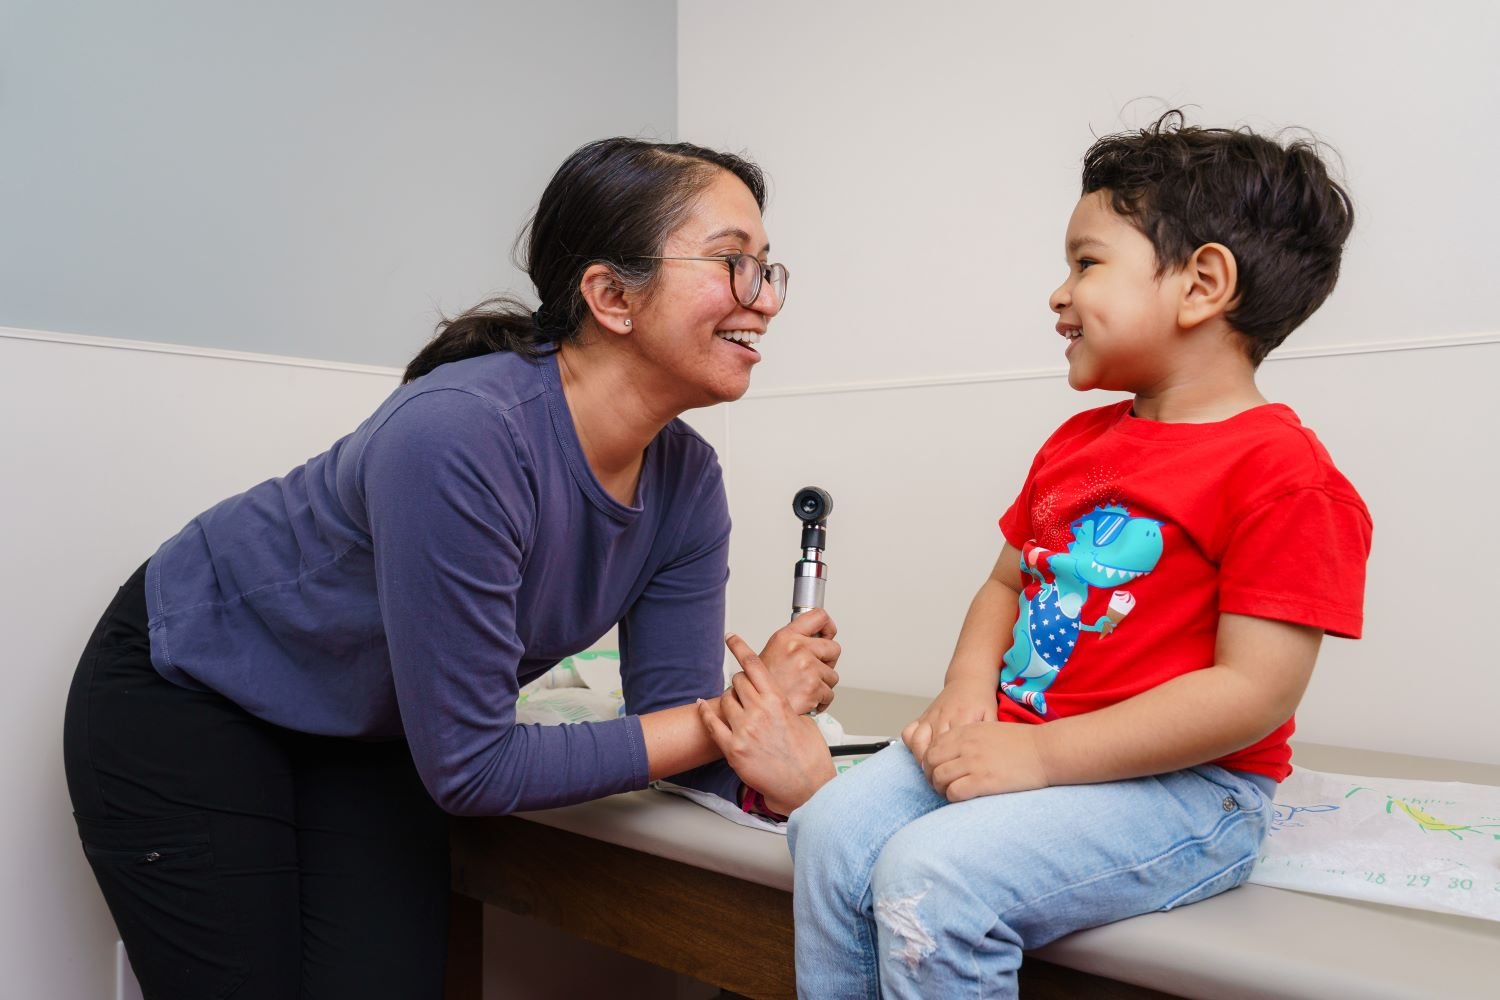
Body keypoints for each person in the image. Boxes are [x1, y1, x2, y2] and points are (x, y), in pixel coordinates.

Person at [63, 137, 841, 1000]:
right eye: (734, 263)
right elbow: (476, 769)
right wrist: (731, 717)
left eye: (769, 270)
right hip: (192, 686)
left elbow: (668, 726)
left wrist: (767, 733)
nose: (763, 300)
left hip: (366, 728)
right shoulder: (460, 433)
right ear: (612, 295)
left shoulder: (688, 481)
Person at [701, 112, 1372, 998]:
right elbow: (1004, 584)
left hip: (1186, 792)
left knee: (933, 877)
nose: (1059, 294)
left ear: (1202, 283)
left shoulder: (1288, 477)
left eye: (1087, 263)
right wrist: (966, 689)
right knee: (825, 828)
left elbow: (1252, 695)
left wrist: (1043, 759)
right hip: (1017, 740)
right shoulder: (1078, 444)